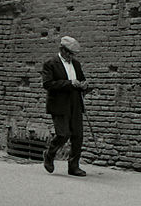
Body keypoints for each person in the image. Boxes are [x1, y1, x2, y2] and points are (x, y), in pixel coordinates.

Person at [41, 36, 89, 177]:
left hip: (75, 102)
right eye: (69, 53)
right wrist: (69, 83)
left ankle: (74, 166)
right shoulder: (50, 63)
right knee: (63, 134)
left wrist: (84, 85)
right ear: (61, 49)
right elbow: (47, 84)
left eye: (73, 54)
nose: (71, 56)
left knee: (77, 136)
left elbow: (81, 80)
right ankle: (49, 155)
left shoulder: (76, 64)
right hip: (59, 103)